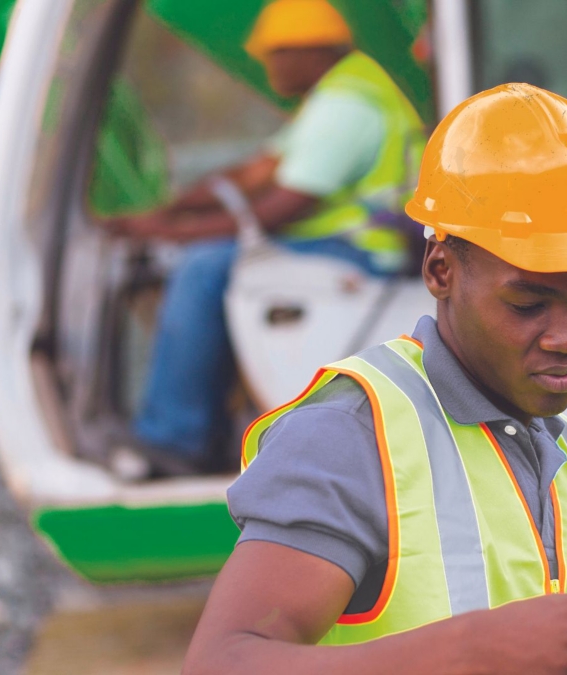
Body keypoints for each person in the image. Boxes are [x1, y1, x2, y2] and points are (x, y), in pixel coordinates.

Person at [182, 83, 567, 675]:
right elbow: (222, 663)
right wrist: (467, 653)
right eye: (528, 304)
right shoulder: (350, 435)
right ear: (441, 271)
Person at [109, 0, 423, 474]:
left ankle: (174, 437)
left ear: (310, 52)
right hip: (346, 244)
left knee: (203, 267)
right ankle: (206, 429)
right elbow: (256, 173)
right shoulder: (336, 94)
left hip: (364, 252)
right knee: (207, 260)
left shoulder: (349, 104)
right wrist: (168, 212)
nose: (267, 65)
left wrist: (171, 233)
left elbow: (280, 208)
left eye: (276, 54)